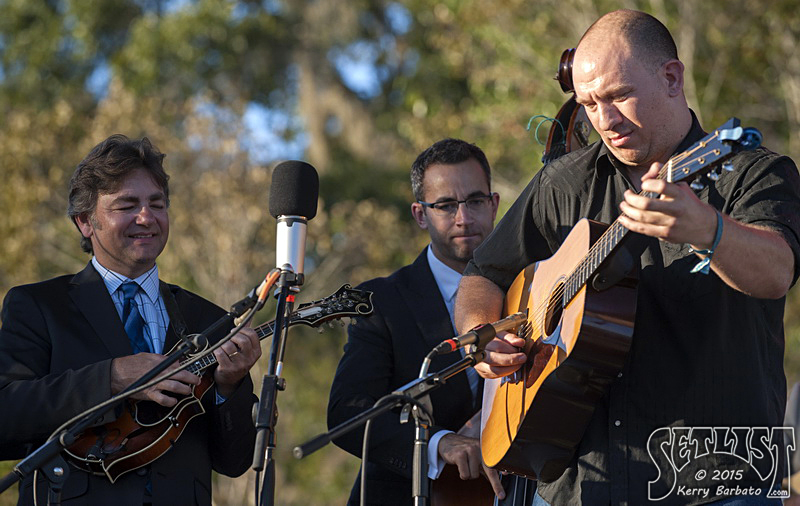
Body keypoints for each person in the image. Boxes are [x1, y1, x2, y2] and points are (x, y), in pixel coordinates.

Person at [455, 9, 800, 506]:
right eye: (590, 103)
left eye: (619, 96)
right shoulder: (565, 182)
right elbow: (484, 274)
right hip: (582, 484)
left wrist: (711, 230)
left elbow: (777, 272)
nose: (605, 120)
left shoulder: (751, 172)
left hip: (719, 481)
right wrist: (485, 338)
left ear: (671, 78)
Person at [0, 135, 261, 505]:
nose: (146, 217)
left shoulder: (210, 320)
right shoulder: (38, 306)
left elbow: (236, 463)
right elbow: (5, 415)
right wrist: (112, 377)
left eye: (157, 203)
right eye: (127, 205)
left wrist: (228, 388)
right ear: (85, 223)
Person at [328, 138, 504, 505]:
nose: (464, 218)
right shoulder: (381, 302)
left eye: (475, 201)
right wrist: (438, 443)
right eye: (445, 205)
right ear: (420, 214)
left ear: (494, 204)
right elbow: (349, 412)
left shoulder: (529, 286)